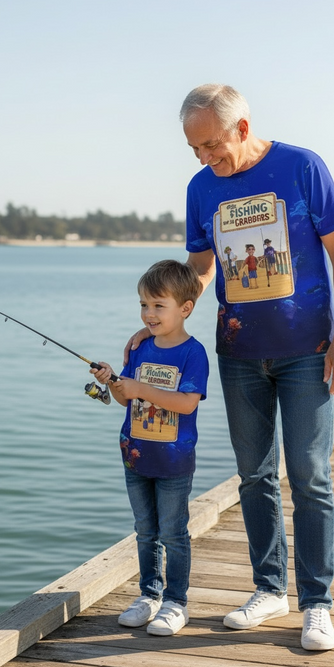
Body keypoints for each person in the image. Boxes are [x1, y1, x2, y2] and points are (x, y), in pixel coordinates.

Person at [127, 84, 334, 651]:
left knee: (309, 477)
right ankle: (270, 588)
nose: (206, 158)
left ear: (242, 127)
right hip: (238, 354)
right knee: (255, 475)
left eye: (212, 144)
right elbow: (200, 268)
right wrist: (166, 323)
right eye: (195, 149)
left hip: (308, 350)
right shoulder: (201, 189)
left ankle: (318, 603)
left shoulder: (302, 167)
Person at [92, 259, 209, 636]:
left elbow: (188, 402)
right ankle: (149, 595)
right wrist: (114, 382)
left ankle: (176, 602)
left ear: (185, 308)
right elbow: (128, 399)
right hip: (135, 456)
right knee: (145, 530)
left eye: (159, 305)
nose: (149, 313)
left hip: (174, 461)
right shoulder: (140, 348)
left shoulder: (193, 353)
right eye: (144, 305)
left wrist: (141, 389)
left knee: (173, 532)